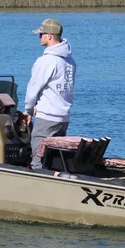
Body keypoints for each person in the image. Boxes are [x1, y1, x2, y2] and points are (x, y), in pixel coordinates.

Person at [23, 18, 76, 170]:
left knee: (38, 162)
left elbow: (32, 90)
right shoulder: (70, 61)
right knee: (53, 161)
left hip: (46, 119)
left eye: (41, 34)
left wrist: (28, 110)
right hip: (63, 119)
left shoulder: (46, 61)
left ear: (50, 36)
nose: (39, 37)